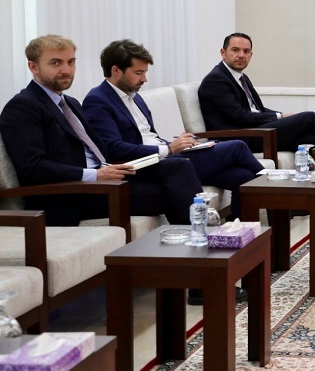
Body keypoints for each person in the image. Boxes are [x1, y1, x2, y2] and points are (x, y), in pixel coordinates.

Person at [0, 35, 202, 228]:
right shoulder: (22, 107)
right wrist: (94, 175)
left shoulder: (70, 103)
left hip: (102, 177)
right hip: (70, 193)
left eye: (71, 62)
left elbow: (99, 148)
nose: (66, 70)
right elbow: (33, 167)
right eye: (55, 63)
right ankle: (198, 240)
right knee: (170, 191)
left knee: (177, 166)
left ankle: (195, 239)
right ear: (33, 67)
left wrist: (116, 167)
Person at [82, 39, 264, 221]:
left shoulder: (135, 97)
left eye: (145, 72)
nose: (144, 79)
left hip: (165, 156)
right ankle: (270, 180)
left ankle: (242, 231)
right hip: (145, 165)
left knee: (242, 176)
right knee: (237, 146)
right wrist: (168, 149)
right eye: (138, 73)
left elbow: (149, 136)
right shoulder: (98, 100)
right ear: (116, 70)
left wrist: (177, 144)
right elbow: (113, 148)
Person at [198, 32, 315, 217]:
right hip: (241, 139)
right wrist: (279, 116)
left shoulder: (240, 77)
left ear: (251, 55)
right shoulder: (216, 80)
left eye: (246, 51)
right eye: (235, 50)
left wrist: (280, 116)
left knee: (312, 140)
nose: (241, 55)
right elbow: (240, 116)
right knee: (309, 117)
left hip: (255, 132)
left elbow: (258, 110)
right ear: (223, 52)